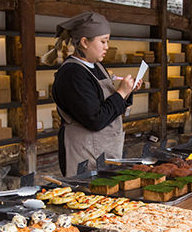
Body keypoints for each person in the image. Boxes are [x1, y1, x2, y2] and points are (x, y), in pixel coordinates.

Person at [45, 11, 140, 176]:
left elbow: (110, 108)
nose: (107, 47)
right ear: (84, 42)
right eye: (103, 41)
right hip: (85, 155)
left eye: (107, 41)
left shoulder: (97, 66)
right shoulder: (72, 74)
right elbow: (95, 119)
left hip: (105, 150)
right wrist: (120, 92)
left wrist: (126, 92)